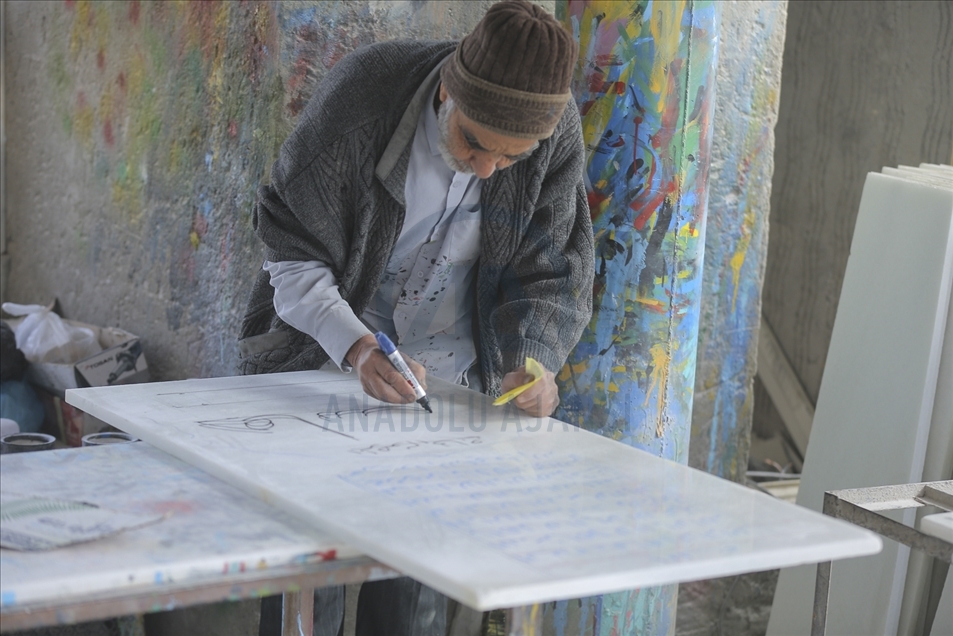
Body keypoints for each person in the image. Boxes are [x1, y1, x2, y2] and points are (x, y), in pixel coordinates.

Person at [239, 1, 593, 634]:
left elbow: (552, 277)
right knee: (308, 581)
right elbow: (292, 257)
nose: (488, 168)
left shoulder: (554, 134)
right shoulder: (364, 98)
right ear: (448, 91)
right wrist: (356, 349)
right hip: (325, 357)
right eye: (474, 144)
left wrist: (531, 362)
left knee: (414, 594)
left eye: (510, 160)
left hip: (449, 381)